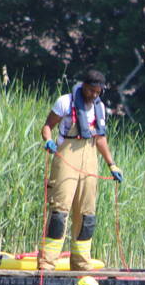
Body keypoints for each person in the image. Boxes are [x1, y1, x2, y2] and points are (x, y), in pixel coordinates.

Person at [39, 69, 123, 271]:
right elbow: (47, 126)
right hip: (67, 155)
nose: (94, 95)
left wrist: (112, 164)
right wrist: (49, 141)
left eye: (98, 91)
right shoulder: (65, 102)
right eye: (91, 90)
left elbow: (101, 138)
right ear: (84, 86)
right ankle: (47, 263)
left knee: (87, 214)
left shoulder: (100, 107)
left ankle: (81, 264)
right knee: (60, 211)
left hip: (90, 158)